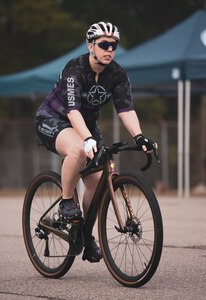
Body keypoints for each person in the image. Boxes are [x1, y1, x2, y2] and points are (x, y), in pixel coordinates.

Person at [35, 21, 156, 263]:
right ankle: (67, 202)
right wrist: (87, 138)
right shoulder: (75, 69)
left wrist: (139, 136)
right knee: (78, 151)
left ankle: (84, 235)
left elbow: (126, 109)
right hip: (54, 119)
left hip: (86, 125)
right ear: (91, 45)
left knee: (100, 182)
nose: (109, 49)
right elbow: (72, 110)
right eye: (104, 44)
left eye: (114, 45)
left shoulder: (117, 74)